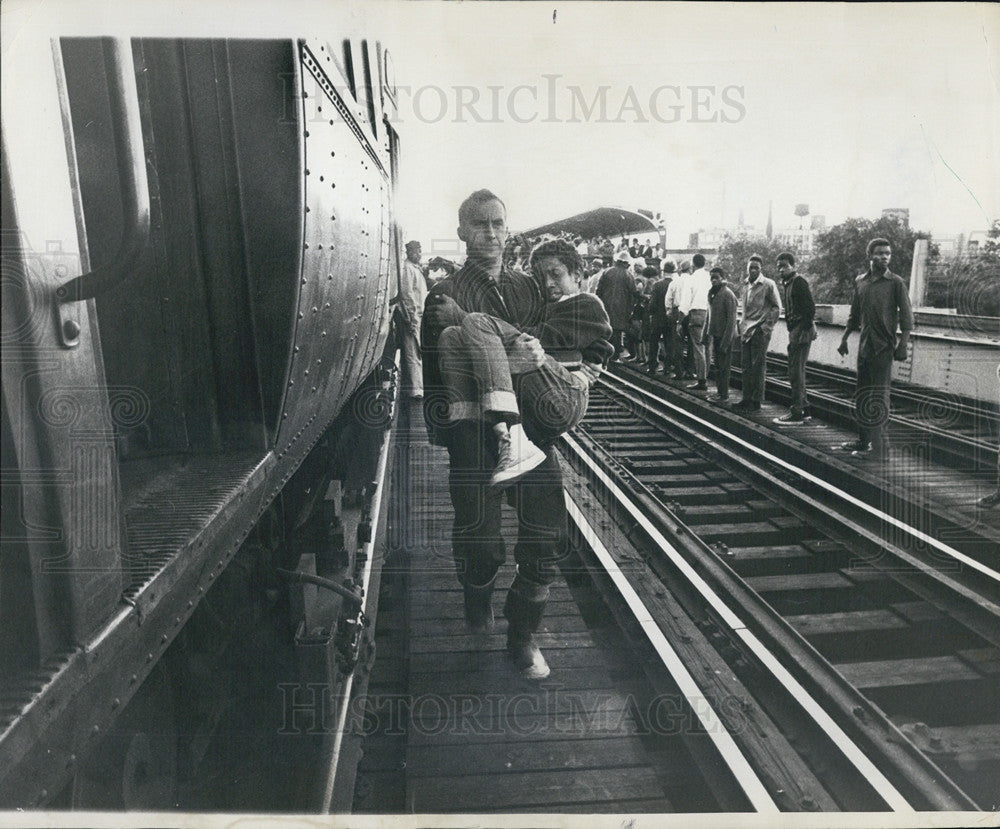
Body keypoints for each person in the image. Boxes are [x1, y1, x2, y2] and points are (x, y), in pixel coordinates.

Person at [421, 190, 600, 680]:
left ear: (508, 227)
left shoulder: (530, 288)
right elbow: (436, 375)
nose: (492, 233)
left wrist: (571, 375)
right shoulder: (443, 296)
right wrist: (452, 436)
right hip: (473, 437)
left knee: (547, 539)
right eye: (480, 224)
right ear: (462, 231)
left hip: (534, 434)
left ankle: (522, 638)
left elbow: (558, 344)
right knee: (480, 545)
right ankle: (477, 594)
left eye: (499, 223)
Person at [436, 238, 613, 488]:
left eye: (556, 274)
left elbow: (544, 338)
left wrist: (462, 315)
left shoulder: (586, 303)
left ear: (577, 274)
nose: (548, 284)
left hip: (565, 395)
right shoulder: (551, 305)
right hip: (548, 391)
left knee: (476, 322)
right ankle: (475, 426)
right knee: (452, 336)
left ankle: (513, 436)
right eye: (541, 277)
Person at [836, 238, 914, 459]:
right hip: (865, 347)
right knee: (862, 394)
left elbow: (907, 318)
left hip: (884, 348)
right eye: (880, 253)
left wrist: (903, 345)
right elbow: (854, 315)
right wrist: (844, 339)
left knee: (879, 397)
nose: (885, 257)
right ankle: (863, 440)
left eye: (888, 254)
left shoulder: (895, 283)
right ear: (870, 255)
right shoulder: (861, 281)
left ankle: (880, 450)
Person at [733, 255, 782, 413]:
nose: (753, 270)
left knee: (758, 366)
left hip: (760, 330)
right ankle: (746, 397)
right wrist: (741, 325)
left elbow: (776, 307)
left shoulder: (768, 284)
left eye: (756, 268)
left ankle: (756, 400)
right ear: (747, 268)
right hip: (746, 329)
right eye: (751, 267)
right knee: (746, 365)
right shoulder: (746, 284)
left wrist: (766, 327)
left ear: (761, 269)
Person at [774, 252, 817, 424]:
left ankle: (797, 411)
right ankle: (804, 408)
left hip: (800, 330)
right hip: (796, 330)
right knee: (797, 371)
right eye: (779, 267)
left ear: (793, 266)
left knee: (795, 372)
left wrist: (803, 331)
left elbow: (810, 309)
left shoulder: (798, 282)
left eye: (784, 266)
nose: (781, 270)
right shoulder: (788, 283)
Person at [596, 250, 641, 359]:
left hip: (605, 307)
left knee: (606, 330)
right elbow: (634, 292)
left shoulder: (606, 272)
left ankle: (604, 354)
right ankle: (614, 356)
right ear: (626, 263)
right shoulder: (628, 275)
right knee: (617, 332)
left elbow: (598, 290)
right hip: (622, 308)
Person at [399, 240, 428, 399]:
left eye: (420, 251)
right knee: (412, 352)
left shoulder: (414, 268)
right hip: (412, 316)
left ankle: (418, 387)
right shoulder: (408, 269)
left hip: (418, 315)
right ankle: (416, 389)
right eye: (417, 252)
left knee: (417, 351)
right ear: (410, 252)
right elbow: (407, 295)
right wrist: (411, 318)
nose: (419, 255)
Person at [681, 253, 712, 391]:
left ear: (693, 265)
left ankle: (701, 380)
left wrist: (680, 320)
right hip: (709, 314)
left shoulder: (691, 279)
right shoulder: (710, 277)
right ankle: (706, 375)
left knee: (698, 347)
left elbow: (685, 302)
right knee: (707, 347)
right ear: (704, 263)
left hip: (696, 313)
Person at [707, 267, 738, 402]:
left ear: (722, 278)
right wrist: (707, 334)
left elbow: (732, 320)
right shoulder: (713, 293)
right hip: (717, 335)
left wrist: (726, 341)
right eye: (712, 277)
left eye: (716, 277)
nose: (714, 280)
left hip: (726, 336)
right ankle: (720, 393)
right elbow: (710, 315)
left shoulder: (727, 294)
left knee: (724, 367)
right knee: (718, 366)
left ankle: (724, 394)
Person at [646, 261, 674, 374]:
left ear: (663, 271)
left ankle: (652, 366)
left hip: (657, 318)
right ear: (673, 272)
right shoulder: (675, 284)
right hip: (670, 318)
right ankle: (668, 367)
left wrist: (650, 312)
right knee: (669, 343)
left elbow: (652, 304)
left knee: (654, 342)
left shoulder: (657, 285)